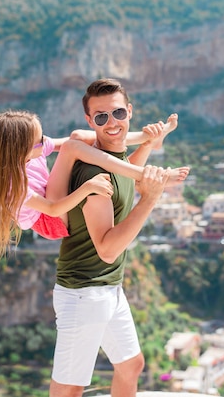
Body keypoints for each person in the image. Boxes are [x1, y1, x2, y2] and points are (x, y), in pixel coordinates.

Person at [50, 78, 177, 397]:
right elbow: (107, 249)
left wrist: (148, 144)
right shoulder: (95, 175)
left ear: (130, 111)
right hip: (84, 292)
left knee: (131, 364)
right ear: (90, 121)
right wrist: (150, 199)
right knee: (69, 388)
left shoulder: (115, 163)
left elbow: (128, 178)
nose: (112, 123)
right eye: (101, 117)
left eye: (118, 113)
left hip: (107, 288)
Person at [0, 110, 187, 268]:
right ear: (20, 149)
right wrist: (87, 188)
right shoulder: (13, 186)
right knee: (72, 147)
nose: (44, 143)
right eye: (39, 141)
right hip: (50, 221)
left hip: (54, 201)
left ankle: (147, 140)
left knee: (77, 136)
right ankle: (145, 175)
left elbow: (77, 141)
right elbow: (52, 209)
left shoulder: (33, 151)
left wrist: (142, 137)